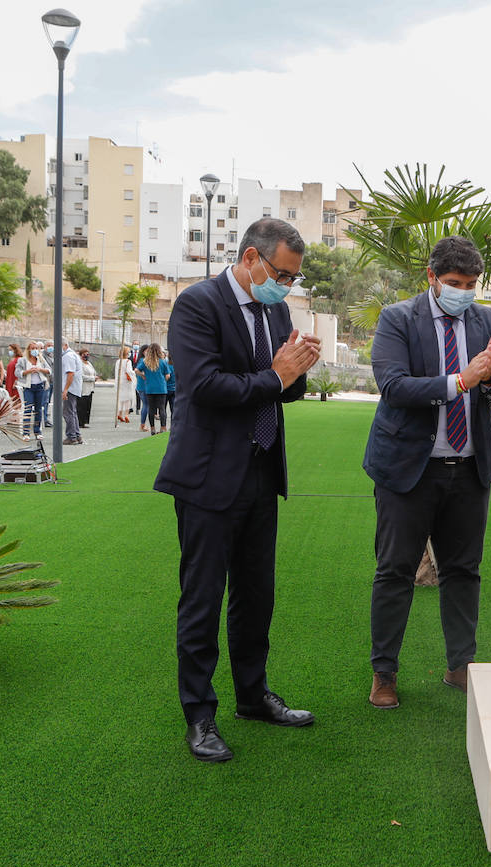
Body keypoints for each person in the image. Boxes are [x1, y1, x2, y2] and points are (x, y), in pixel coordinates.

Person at [154, 218, 321, 762]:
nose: (287, 287)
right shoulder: (197, 304)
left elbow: (274, 387)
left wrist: (297, 373)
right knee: (201, 599)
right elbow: (203, 386)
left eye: (293, 280)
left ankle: (252, 695)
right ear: (251, 258)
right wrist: (277, 376)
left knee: (256, 595)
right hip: (206, 476)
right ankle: (199, 715)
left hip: (260, 471)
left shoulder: (273, 308)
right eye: (281, 274)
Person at [362, 235, 491, 710]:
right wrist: (461, 381)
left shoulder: (490, 320)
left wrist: (490, 377)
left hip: (469, 471)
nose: (463, 291)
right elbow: (393, 386)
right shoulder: (397, 319)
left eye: (471, 284)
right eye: (454, 283)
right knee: (394, 571)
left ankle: (460, 665)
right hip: (408, 470)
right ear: (431, 278)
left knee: (464, 571)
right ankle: (384, 673)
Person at [15, 342, 53, 440]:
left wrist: (40, 369)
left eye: (36, 348)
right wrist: (27, 371)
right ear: (28, 350)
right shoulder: (22, 360)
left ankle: (37, 431)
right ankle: (26, 432)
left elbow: (49, 370)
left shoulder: (41, 359)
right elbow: (17, 372)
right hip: (28, 387)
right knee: (28, 409)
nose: (35, 350)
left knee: (38, 409)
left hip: (40, 386)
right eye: (33, 348)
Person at [135, 343, 172, 435]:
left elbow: (136, 370)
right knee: (162, 408)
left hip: (150, 388)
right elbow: (168, 375)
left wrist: (143, 375)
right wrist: (163, 380)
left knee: (151, 409)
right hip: (161, 388)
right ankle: (163, 427)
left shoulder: (145, 362)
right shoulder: (163, 362)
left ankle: (152, 428)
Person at [58, 342, 83, 446]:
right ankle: (76, 435)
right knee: (72, 412)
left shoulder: (68, 356)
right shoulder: (72, 355)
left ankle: (71, 436)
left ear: (64, 345)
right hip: (73, 388)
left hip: (70, 389)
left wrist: (65, 389)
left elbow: (70, 373)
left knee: (68, 412)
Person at [76, 349, 97, 429]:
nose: (86, 356)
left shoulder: (89, 363)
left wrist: (95, 377)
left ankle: (85, 421)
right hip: (83, 387)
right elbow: (81, 376)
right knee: (81, 405)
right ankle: (80, 422)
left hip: (90, 388)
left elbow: (93, 372)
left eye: (87, 354)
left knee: (87, 405)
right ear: (81, 355)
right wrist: (92, 378)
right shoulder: (80, 364)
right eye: (84, 354)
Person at [114, 346, 135, 423]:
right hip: (127, 382)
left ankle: (119, 413)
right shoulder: (128, 361)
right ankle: (126, 414)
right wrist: (134, 373)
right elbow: (129, 371)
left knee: (121, 398)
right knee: (128, 399)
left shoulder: (118, 361)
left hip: (120, 382)